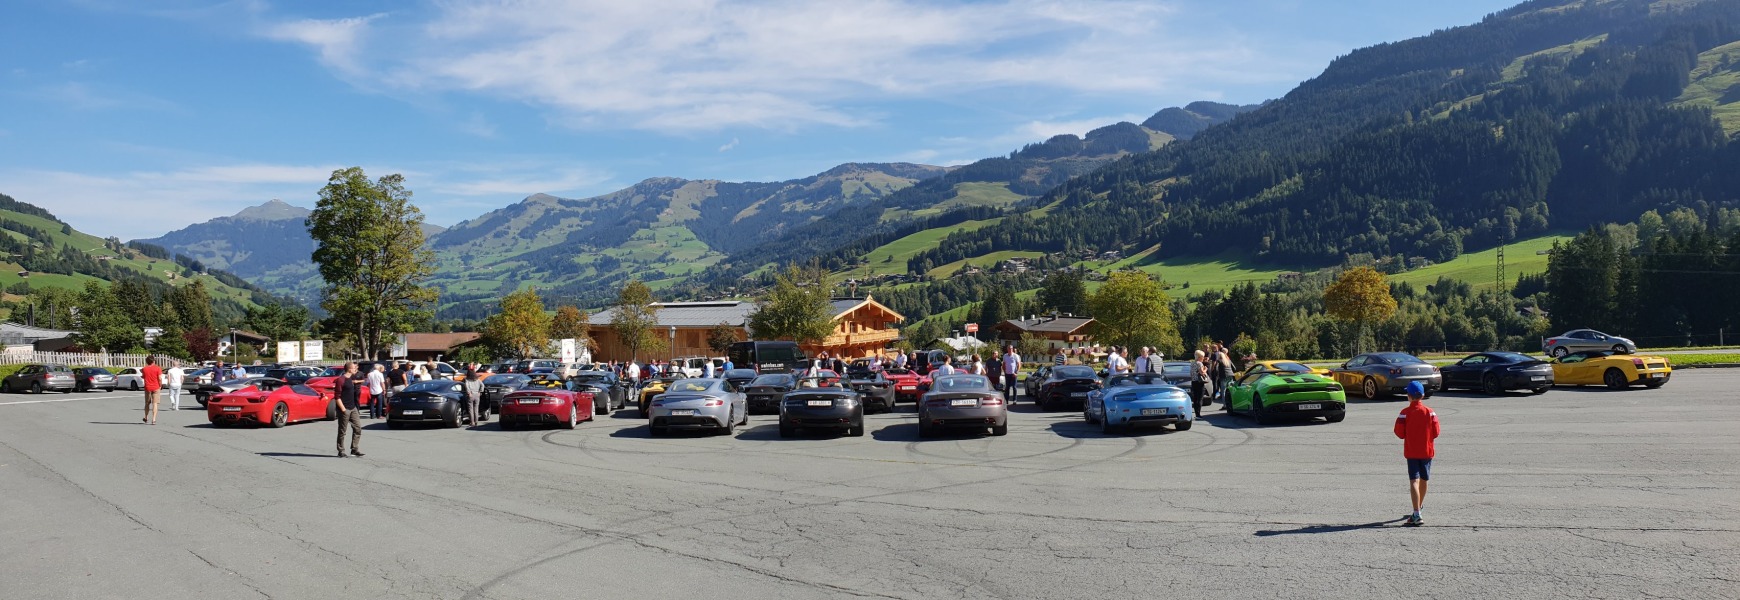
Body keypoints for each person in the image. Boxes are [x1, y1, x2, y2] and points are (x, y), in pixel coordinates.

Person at [1395, 381, 1441, 526]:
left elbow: (1399, 433)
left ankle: (1416, 513)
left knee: (1414, 480)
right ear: (1422, 395)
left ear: (1408, 396)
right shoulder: (1430, 412)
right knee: (1424, 479)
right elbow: (1436, 432)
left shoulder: (1404, 413)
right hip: (1427, 451)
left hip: (1412, 452)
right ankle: (1419, 507)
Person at [335, 362, 364, 457]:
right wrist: (343, 409)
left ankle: (354, 449)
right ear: (349, 369)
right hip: (344, 409)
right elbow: (337, 397)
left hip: (353, 407)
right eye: (354, 368)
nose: (356, 369)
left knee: (358, 428)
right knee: (342, 431)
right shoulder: (341, 380)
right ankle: (341, 450)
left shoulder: (352, 378)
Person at [140, 356, 163, 425]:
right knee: (155, 403)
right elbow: (159, 378)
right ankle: (154, 419)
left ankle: (146, 417)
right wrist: (160, 385)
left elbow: (143, 376)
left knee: (147, 403)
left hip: (147, 387)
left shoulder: (144, 369)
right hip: (156, 387)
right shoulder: (158, 368)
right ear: (153, 361)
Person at [1190, 350, 1209, 417]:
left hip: (1193, 381)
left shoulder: (1192, 363)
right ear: (1199, 357)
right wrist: (1206, 369)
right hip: (1199, 382)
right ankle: (1198, 414)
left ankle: (1196, 412)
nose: (1203, 358)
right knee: (1200, 398)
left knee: (1195, 398)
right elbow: (1202, 372)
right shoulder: (1199, 363)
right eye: (1202, 357)